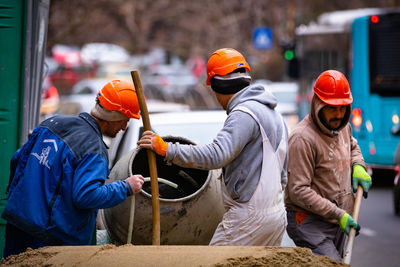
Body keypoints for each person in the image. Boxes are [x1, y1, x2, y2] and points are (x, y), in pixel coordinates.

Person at [138, 48, 289, 246]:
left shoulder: (243, 114)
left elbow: (217, 155)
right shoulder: (274, 114)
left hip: (249, 217)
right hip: (277, 214)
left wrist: (167, 149)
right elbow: (283, 175)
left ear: (219, 85)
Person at [2, 80, 145, 258]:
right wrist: (126, 187)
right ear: (113, 117)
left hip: (17, 222)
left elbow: (17, 158)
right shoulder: (93, 148)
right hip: (51, 241)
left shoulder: (52, 123)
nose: (124, 127)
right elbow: (86, 196)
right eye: (124, 120)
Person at [284, 70, 372, 262]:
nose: (339, 114)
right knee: (331, 263)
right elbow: (298, 190)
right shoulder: (302, 139)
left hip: (337, 218)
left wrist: (358, 165)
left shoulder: (343, 127)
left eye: (343, 107)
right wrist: (338, 214)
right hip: (308, 221)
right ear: (318, 104)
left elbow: (353, 147)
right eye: (332, 108)